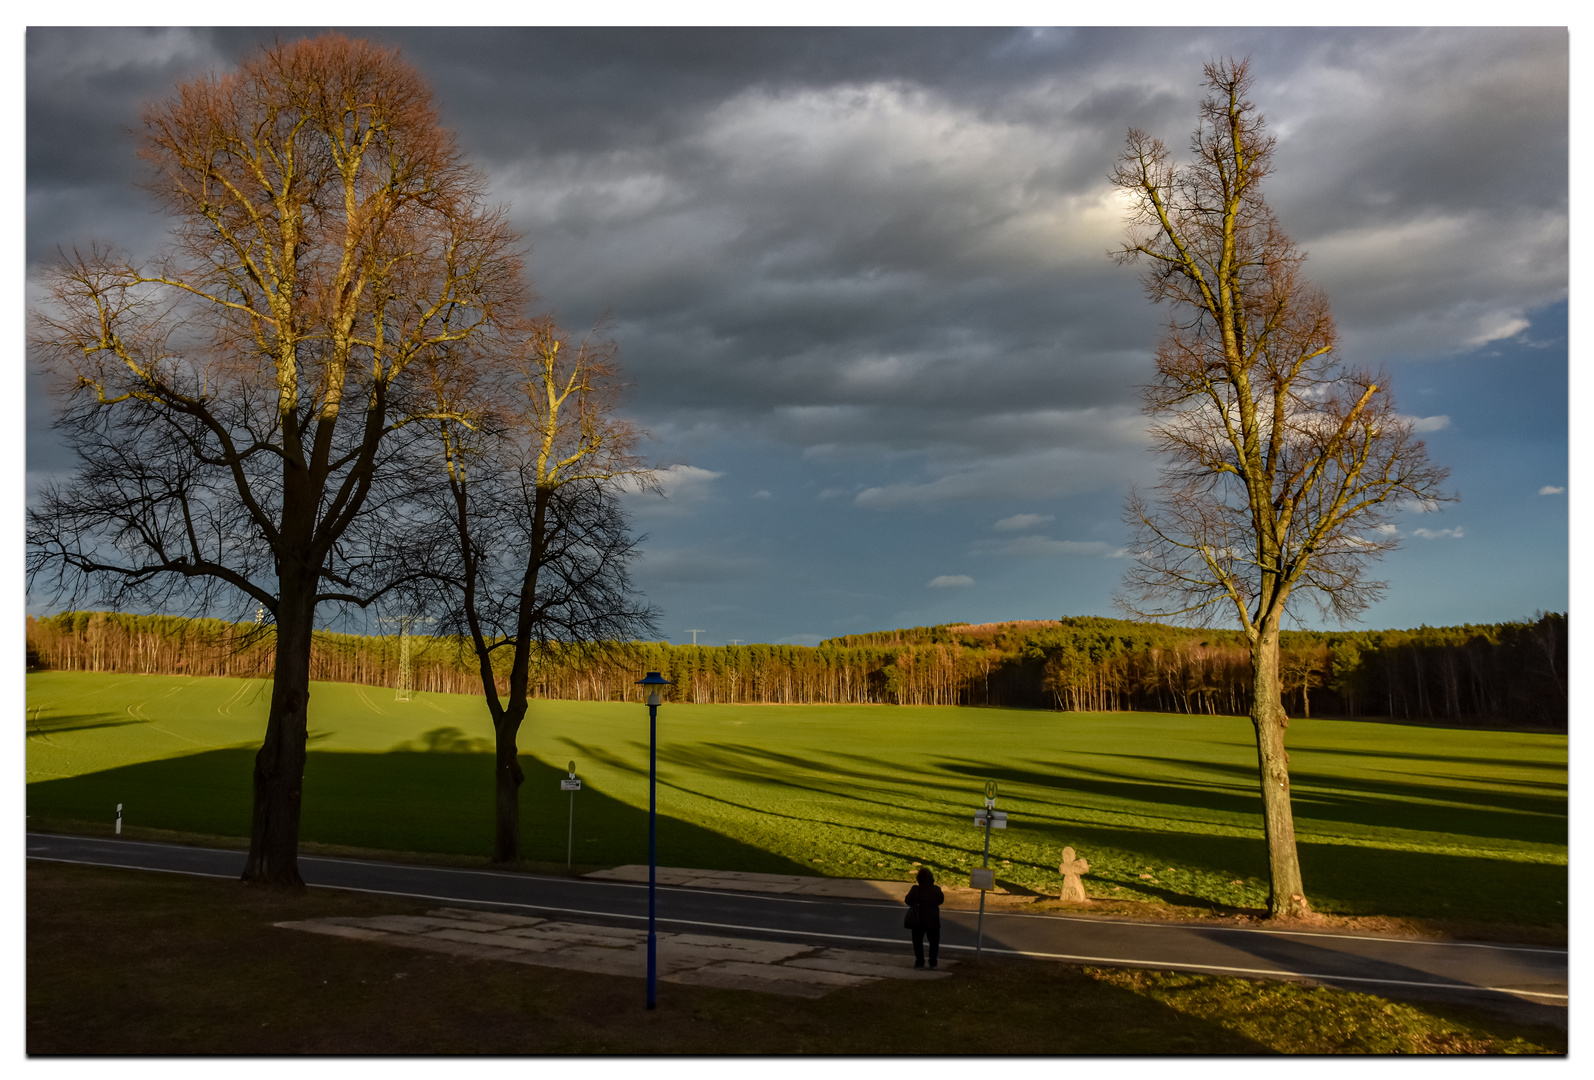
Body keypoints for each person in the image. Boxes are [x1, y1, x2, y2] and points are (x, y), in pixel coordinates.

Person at [904, 867, 944, 969]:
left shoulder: (915, 889)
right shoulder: (936, 889)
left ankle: (920, 962)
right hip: (933, 919)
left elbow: (908, 900)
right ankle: (933, 962)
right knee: (934, 943)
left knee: (918, 942)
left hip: (918, 920)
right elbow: (941, 900)